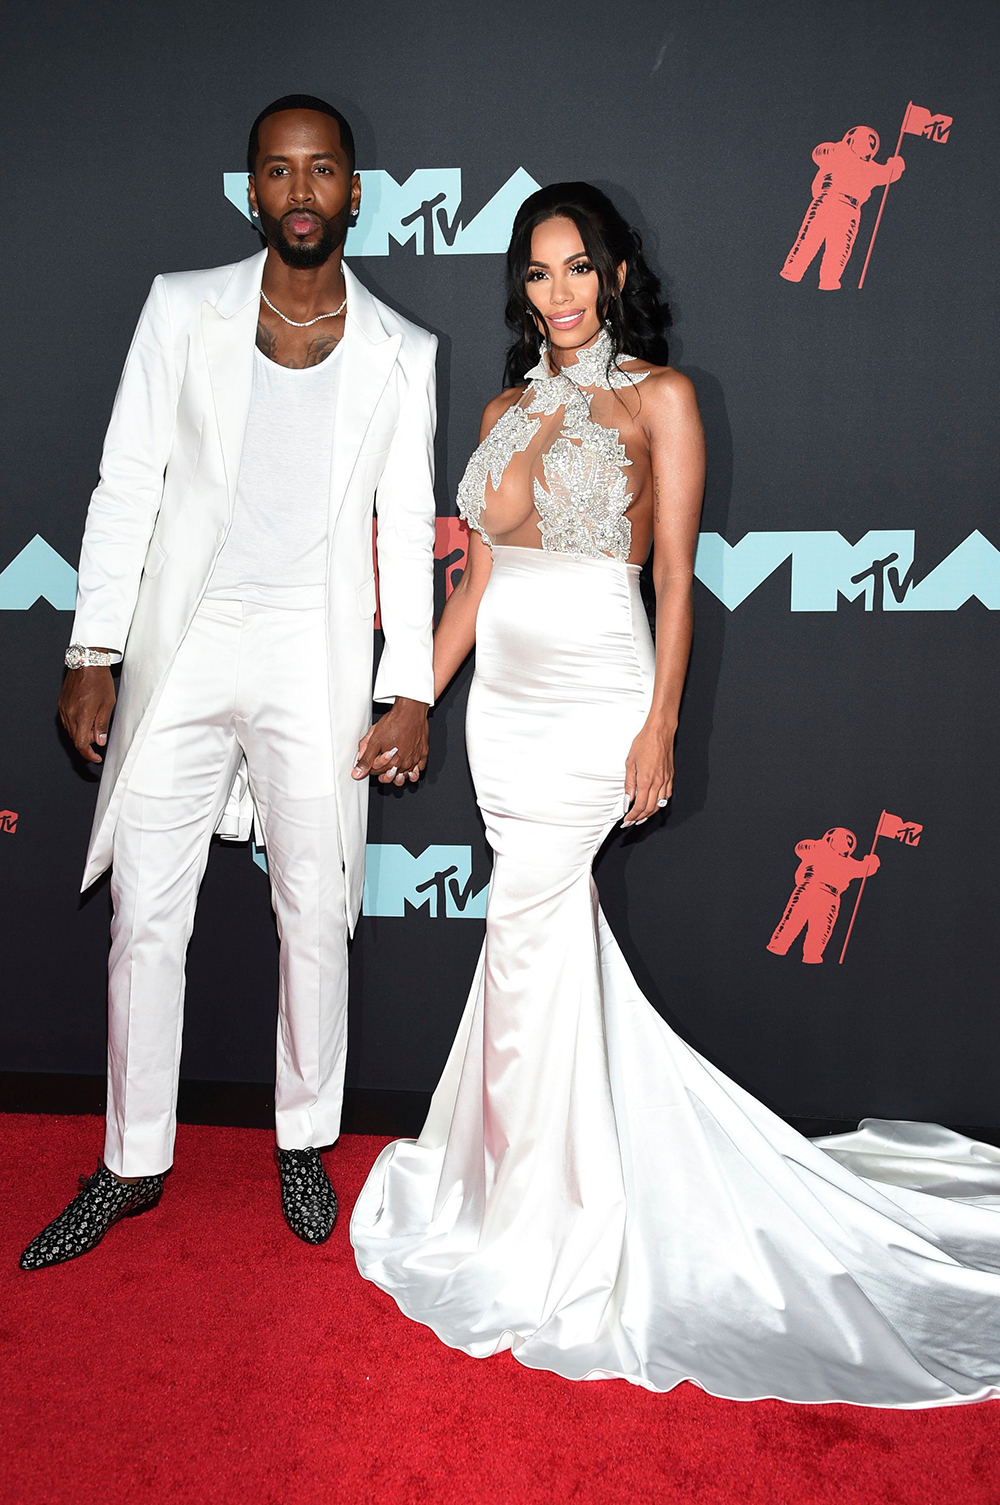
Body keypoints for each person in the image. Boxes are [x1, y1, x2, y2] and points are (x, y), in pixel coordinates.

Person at [351, 182, 1000, 1406]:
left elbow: (676, 586)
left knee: (531, 938)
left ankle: (543, 1221)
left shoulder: (663, 399)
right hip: (504, 712)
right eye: (537, 273)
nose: (558, 294)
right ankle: (521, 1185)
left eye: (578, 268)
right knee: (533, 948)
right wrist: (416, 697)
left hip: (599, 699)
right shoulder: (498, 409)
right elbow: (477, 586)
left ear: (614, 273)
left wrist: (659, 725)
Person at [21, 96, 437, 1271]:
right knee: (147, 910)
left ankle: (304, 1137)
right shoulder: (181, 310)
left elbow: (405, 529)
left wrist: (407, 686)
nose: (300, 191)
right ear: (250, 190)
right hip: (184, 644)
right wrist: (93, 650)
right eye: (277, 171)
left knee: (317, 907)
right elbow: (126, 481)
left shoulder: (406, 352)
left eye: (322, 171)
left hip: (314, 657)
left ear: (356, 191)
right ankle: (131, 1158)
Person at [780, 126, 905, 290]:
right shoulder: (837, 153)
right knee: (809, 238)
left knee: (839, 248)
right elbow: (818, 152)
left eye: (870, 142)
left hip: (850, 209)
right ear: (850, 139)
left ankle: (828, 281)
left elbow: (888, 174)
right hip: (827, 199)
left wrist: (896, 165)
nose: (865, 144)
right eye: (862, 139)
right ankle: (792, 272)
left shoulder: (869, 168)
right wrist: (840, 149)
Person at [767, 827, 879, 964]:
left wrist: (872, 862)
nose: (843, 843)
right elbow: (800, 848)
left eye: (847, 841)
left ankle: (809, 955)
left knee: (819, 929)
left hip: (829, 896)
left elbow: (865, 869)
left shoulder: (847, 862)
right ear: (830, 838)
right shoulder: (818, 849)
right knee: (795, 920)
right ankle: (780, 947)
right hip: (811, 888)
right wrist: (871, 862)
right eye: (842, 839)